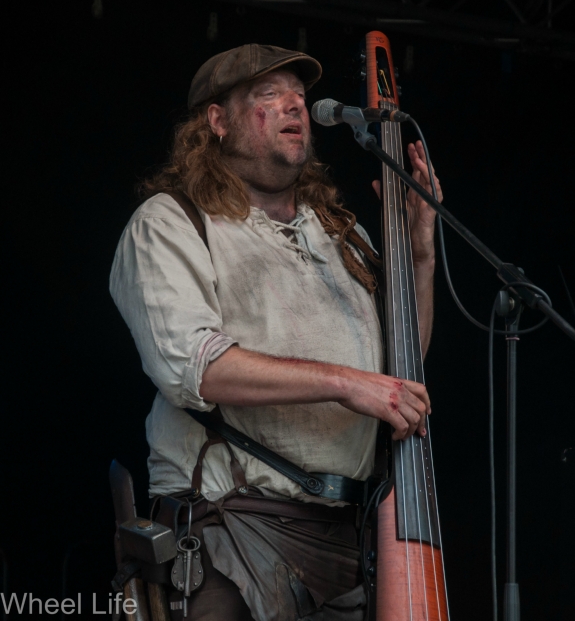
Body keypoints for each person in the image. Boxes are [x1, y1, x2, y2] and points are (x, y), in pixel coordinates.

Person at [110, 43, 441, 621]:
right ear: (217, 121)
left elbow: (401, 374)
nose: (295, 105)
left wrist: (418, 253)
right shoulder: (171, 221)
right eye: (270, 95)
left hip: (347, 543)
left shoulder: (344, 234)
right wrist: (344, 382)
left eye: (300, 95)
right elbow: (196, 366)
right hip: (230, 532)